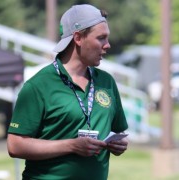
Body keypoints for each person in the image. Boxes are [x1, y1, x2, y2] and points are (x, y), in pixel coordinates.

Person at [7, 4, 128, 180]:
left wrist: (119, 144)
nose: (107, 45)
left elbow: (118, 132)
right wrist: (71, 145)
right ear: (78, 38)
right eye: (101, 38)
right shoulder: (38, 86)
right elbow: (15, 146)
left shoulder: (106, 82)